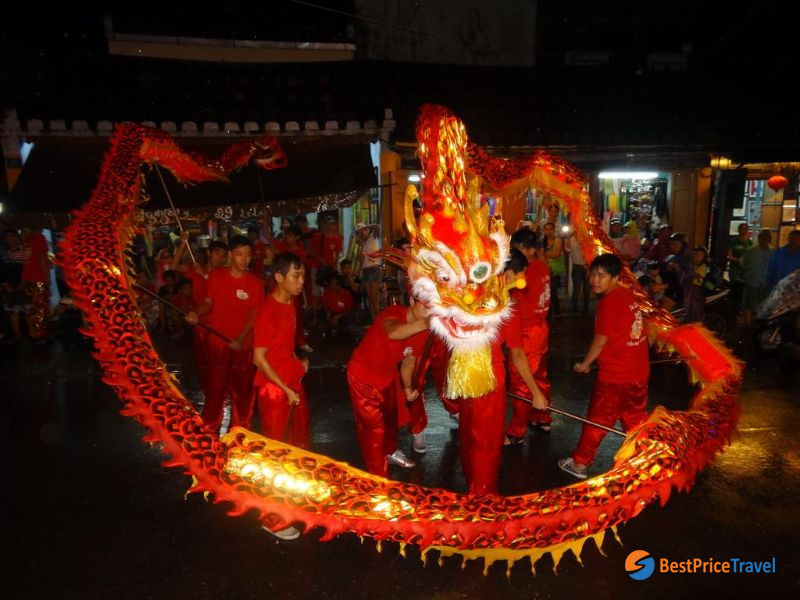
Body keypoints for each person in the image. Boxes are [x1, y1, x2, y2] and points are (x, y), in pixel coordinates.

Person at [457, 250, 547, 494]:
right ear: (508, 274)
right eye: (521, 276)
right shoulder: (508, 307)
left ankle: (472, 483)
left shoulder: (472, 292)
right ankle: (483, 495)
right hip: (488, 378)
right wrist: (535, 391)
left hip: (464, 374)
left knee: (469, 432)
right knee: (487, 439)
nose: (524, 282)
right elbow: (517, 355)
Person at [559, 254, 649, 479]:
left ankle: (579, 464)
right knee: (635, 420)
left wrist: (585, 364)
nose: (595, 280)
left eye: (602, 275)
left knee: (598, 420)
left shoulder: (609, 303)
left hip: (616, 376)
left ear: (616, 277)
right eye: (593, 274)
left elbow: (600, 340)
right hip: (638, 372)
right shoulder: (628, 296)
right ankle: (645, 457)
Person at [251, 252, 310, 542]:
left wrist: (298, 365)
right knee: (276, 453)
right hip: (275, 389)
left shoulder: (290, 302)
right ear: (278, 277)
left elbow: (283, 348)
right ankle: (271, 518)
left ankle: (290, 501)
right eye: (296, 276)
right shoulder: (268, 309)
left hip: (291, 383)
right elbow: (259, 358)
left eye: (302, 275)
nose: (302, 281)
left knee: (296, 446)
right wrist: (285, 388)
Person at [186, 236, 264, 434]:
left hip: (244, 346)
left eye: (248, 255)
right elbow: (207, 303)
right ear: (231, 255)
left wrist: (240, 338)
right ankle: (210, 427)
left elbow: (255, 315)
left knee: (243, 391)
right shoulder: (217, 276)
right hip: (218, 342)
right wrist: (196, 312)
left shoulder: (255, 282)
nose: (245, 259)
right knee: (216, 388)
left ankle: (240, 429)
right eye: (239, 254)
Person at [346, 297, 429, 476]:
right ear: (412, 299)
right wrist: (425, 323)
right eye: (426, 303)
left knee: (391, 421)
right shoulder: (393, 313)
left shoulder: (424, 330)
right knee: (373, 430)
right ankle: (378, 477)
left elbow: (409, 359)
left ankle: (390, 453)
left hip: (387, 374)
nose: (429, 309)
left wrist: (407, 387)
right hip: (363, 375)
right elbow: (393, 332)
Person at [505, 231, 552, 443]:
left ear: (531, 250)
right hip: (540, 329)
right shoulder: (541, 265)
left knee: (522, 383)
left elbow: (515, 300)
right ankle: (541, 416)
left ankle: (517, 431)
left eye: (520, 249)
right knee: (539, 376)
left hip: (527, 332)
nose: (516, 253)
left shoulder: (525, 270)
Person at [171, 236, 228, 388]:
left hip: (218, 322)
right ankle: (207, 387)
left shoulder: (224, 273)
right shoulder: (194, 269)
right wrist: (183, 244)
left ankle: (219, 386)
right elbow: (173, 266)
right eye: (217, 253)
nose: (220, 258)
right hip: (199, 321)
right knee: (202, 359)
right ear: (209, 253)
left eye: (223, 255)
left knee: (219, 358)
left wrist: (203, 275)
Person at [274, 226, 312, 352]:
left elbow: (303, 274)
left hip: (295, 288)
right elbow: (270, 239)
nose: (288, 238)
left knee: (296, 315)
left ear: (297, 237)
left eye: (290, 235)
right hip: (282, 287)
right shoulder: (282, 248)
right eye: (287, 235)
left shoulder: (301, 251)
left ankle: (300, 340)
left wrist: (305, 293)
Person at [21, 228, 51, 341]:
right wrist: (47, 279)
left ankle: (32, 334)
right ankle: (39, 336)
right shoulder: (40, 238)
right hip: (39, 278)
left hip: (28, 278)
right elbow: (43, 259)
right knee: (41, 309)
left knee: (32, 308)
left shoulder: (27, 239)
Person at [741, 229, 773, 318]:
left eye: (766, 238)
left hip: (765, 284)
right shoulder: (751, 250)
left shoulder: (772, 252)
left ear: (769, 239)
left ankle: (757, 323)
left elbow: (743, 264)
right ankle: (748, 324)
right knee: (748, 305)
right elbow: (743, 264)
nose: (764, 240)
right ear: (759, 238)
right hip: (752, 282)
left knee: (762, 304)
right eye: (762, 238)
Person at [356, 223, 382, 322]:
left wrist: (365, 227)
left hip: (374, 268)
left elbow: (376, 226)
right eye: (360, 232)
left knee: (374, 299)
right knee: (370, 299)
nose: (362, 233)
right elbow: (361, 261)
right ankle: (374, 321)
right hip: (366, 270)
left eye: (363, 231)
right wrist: (361, 246)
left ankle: (378, 323)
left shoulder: (373, 237)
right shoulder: (363, 243)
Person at [542, 222, 564, 317]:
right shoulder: (542, 241)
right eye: (546, 229)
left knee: (553, 291)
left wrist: (543, 255)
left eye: (550, 229)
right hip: (545, 270)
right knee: (547, 292)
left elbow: (556, 254)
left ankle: (557, 312)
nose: (548, 231)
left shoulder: (558, 241)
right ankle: (549, 313)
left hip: (555, 271)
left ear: (554, 230)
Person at [727, 223, 752, 298]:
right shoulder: (733, 241)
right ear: (738, 230)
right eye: (742, 229)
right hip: (734, 268)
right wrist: (737, 259)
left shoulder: (750, 243)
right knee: (734, 287)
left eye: (745, 229)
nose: (744, 231)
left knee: (743, 289)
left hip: (745, 270)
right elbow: (729, 255)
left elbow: (751, 257)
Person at [566, 233, 589, 314]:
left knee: (586, 289)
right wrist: (569, 236)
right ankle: (575, 309)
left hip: (587, 266)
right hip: (577, 266)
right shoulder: (571, 239)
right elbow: (567, 248)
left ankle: (585, 309)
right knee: (576, 289)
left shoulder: (587, 239)